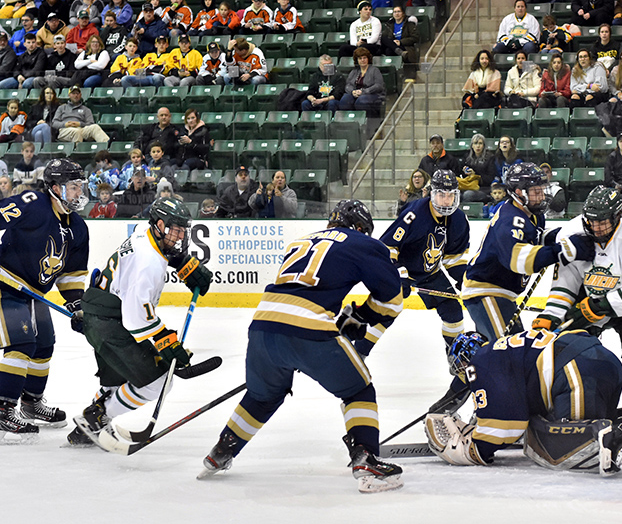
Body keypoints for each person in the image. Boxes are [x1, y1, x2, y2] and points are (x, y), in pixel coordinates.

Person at [199, 199, 404, 493]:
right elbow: (391, 297)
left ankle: (222, 450)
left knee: (262, 396)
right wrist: (360, 316)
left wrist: (342, 317)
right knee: (358, 389)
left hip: (262, 326)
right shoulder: (362, 242)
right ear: (359, 227)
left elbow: (310, 287)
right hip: (309, 328)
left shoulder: (302, 240)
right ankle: (365, 455)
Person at [68, 197, 212, 447]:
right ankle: (98, 418)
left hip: (102, 311)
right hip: (111, 322)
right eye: (176, 229)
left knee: (118, 381)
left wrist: (182, 263)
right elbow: (137, 319)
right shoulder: (149, 263)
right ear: (160, 224)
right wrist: (166, 342)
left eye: (182, 230)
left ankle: (86, 427)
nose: (180, 236)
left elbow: (150, 246)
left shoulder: (145, 232)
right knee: (156, 384)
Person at [533, 186, 622, 426]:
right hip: (586, 299)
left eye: (603, 222)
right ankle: (564, 411)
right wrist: (551, 315)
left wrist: (596, 308)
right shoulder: (571, 233)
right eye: (592, 221)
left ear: (617, 217)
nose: (597, 227)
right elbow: (566, 284)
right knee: (565, 355)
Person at [424, 330, 622, 474]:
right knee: (590, 424)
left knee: (565, 449)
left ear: (464, 361)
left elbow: (505, 425)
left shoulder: (481, 361)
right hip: (599, 363)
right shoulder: (503, 353)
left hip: (574, 371)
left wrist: (475, 448)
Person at [0, 159, 89, 440]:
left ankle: (30, 403)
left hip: (34, 293)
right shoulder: (33, 203)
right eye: (73, 187)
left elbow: (71, 273)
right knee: (21, 342)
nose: (79, 192)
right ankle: (2, 410)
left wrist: (76, 305)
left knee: (44, 344)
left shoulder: (78, 227)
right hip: (5, 284)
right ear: (55, 187)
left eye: (80, 187)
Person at [463, 163, 594, 343]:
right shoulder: (510, 219)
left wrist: (565, 235)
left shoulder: (532, 213)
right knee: (508, 351)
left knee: (504, 350)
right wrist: (566, 250)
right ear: (518, 192)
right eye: (535, 191)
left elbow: (536, 239)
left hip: (503, 294)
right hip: (486, 292)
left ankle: (475, 370)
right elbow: (519, 261)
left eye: (542, 190)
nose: (541, 196)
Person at [352, 169, 469, 359]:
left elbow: (453, 258)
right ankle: (357, 356)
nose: (446, 201)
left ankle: (456, 358)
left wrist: (465, 280)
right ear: (432, 194)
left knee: (453, 311)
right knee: (388, 311)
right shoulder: (414, 213)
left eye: (450, 196)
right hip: (398, 270)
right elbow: (387, 246)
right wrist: (401, 274)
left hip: (430, 274)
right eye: (441, 195)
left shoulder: (459, 220)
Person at [338, 47, 385, 117]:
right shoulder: (354, 71)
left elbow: (378, 86)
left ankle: (370, 124)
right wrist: (352, 92)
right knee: (345, 101)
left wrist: (363, 91)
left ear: (368, 59)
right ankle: (351, 122)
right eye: (360, 58)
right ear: (357, 60)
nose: (362, 60)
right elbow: (348, 85)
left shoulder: (375, 70)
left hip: (373, 95)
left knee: (361, 101)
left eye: (364, 58)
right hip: (356, 94)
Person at [381, 5, 419, 79]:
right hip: (393, 46)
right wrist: (394, 43)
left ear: (403, 13)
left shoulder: (409, 23)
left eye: (399, 11)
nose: (396, 14)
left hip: (404, 46)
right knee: (385, 41)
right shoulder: (389, 24)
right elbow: (385, 38)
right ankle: (398, 52)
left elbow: (415, 37)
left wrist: (400, 42)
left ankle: (397, 75)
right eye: (395, 12)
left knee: (389, 50)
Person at [460, 133, 494, 203]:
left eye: (480, 143)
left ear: (484, 145)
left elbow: (490, 178)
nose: (478, 146)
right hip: (468, 186)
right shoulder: (467, 157)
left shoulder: (490, 157)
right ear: (472, 145)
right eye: (475, 143)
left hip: (484, 188)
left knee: (468, 195)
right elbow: (462, 176)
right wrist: (465, 172)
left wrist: (475, 175)